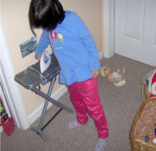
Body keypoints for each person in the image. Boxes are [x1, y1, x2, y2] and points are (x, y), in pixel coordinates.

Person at [28, 0, 109, 150]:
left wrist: (95, 63)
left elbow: (88, 40)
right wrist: (39, 52)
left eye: (46, 24)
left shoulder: (72, 19)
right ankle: (82, 119)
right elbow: (45, 38)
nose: (45, 28)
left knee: (93, 106)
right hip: (67, 71)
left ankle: (103, 133)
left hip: (85, 70)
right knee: (76, 98)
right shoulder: (48, 25)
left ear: (55, 12)